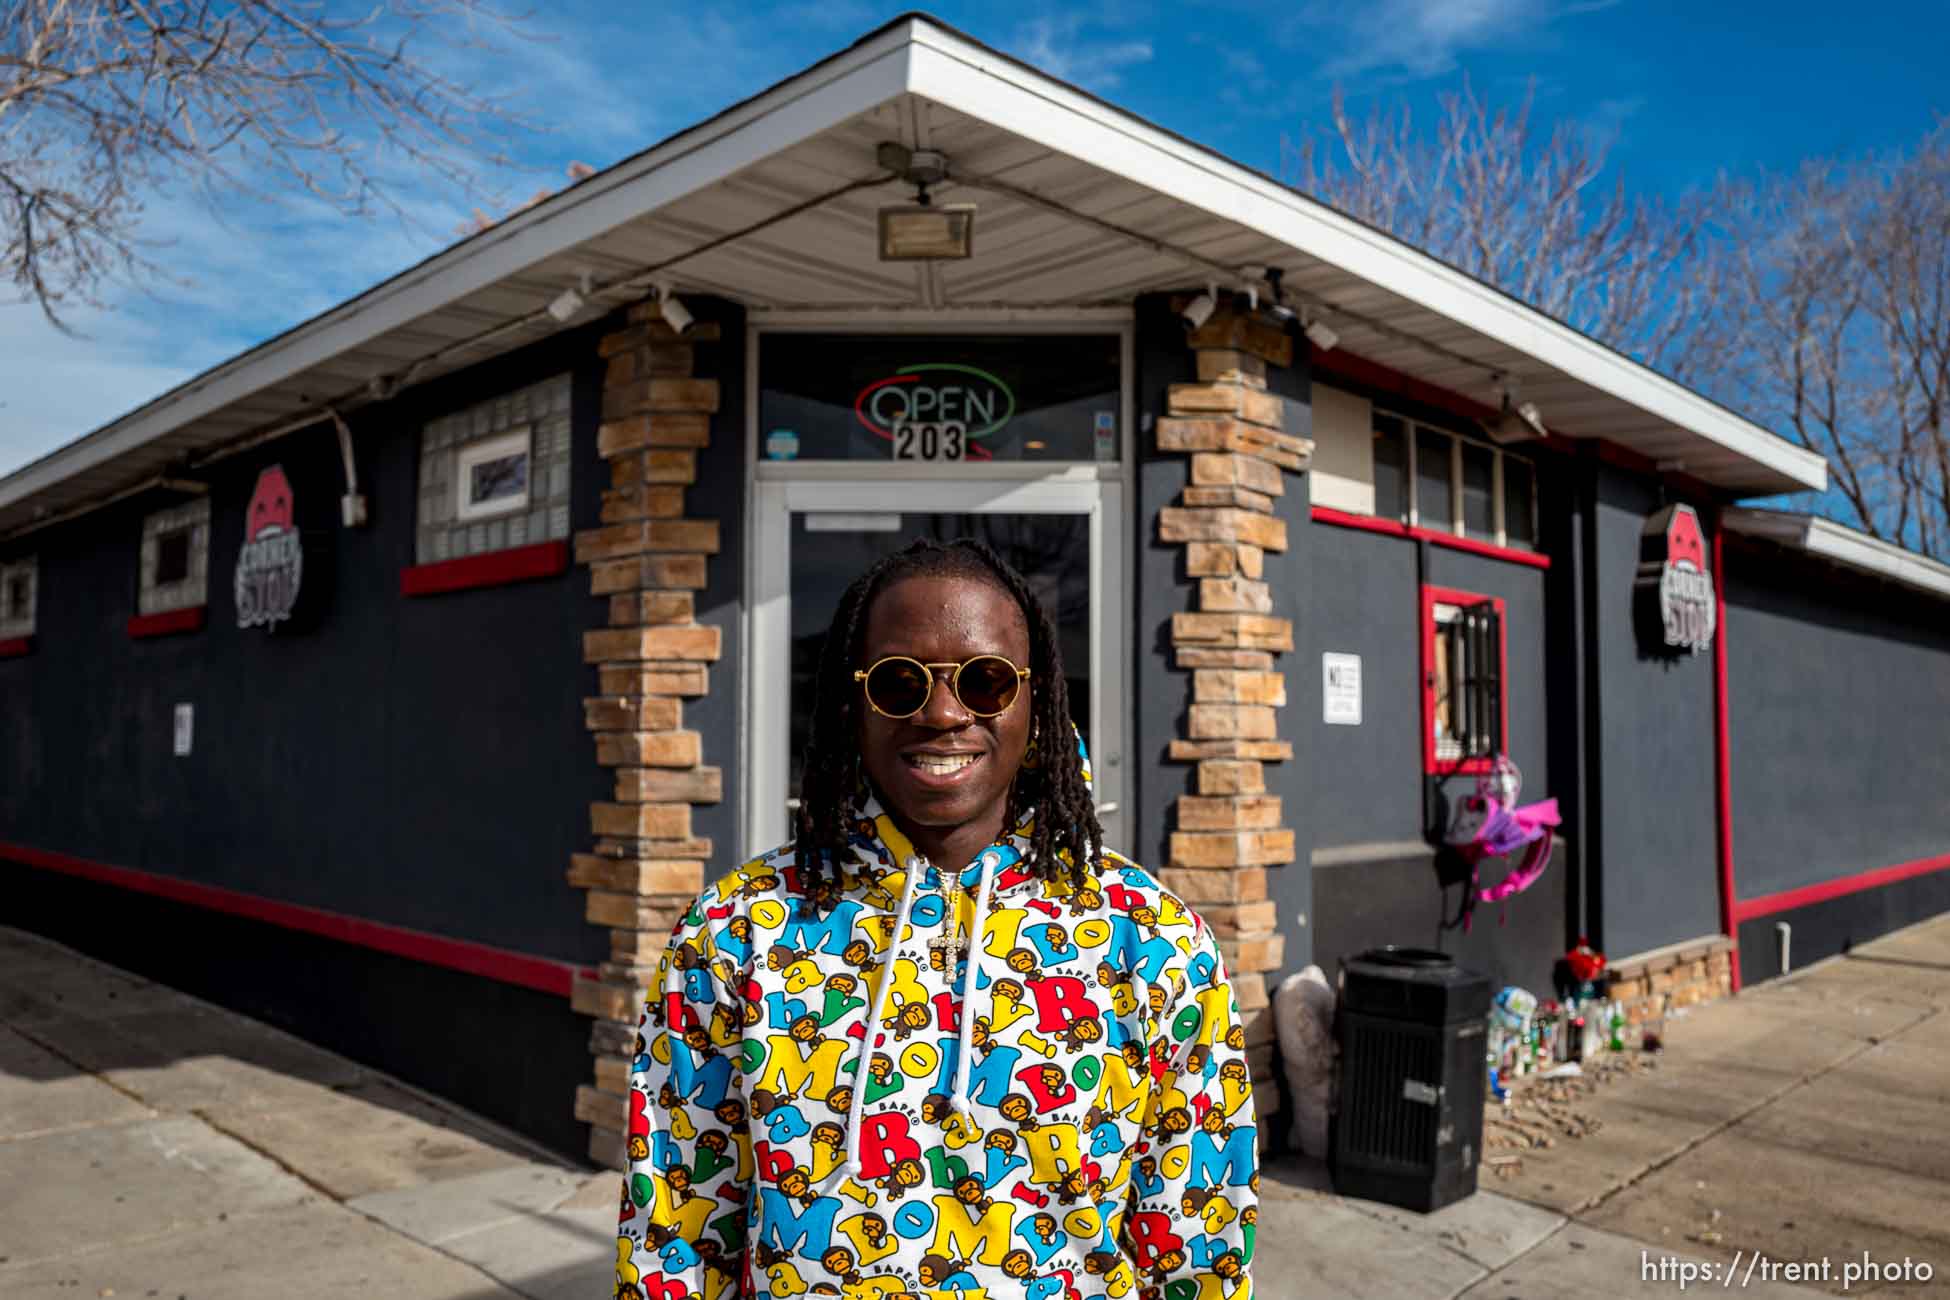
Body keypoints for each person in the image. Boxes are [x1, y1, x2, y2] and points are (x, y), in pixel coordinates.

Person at [618, 538, 1258, 1300]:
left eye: (987, 682)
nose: (944, 712)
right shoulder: (734, 934)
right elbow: (675, 1237)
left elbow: (1196, 1249)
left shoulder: (1153, 941)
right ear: (854, 704)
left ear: (1036, 702)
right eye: (898, 682)